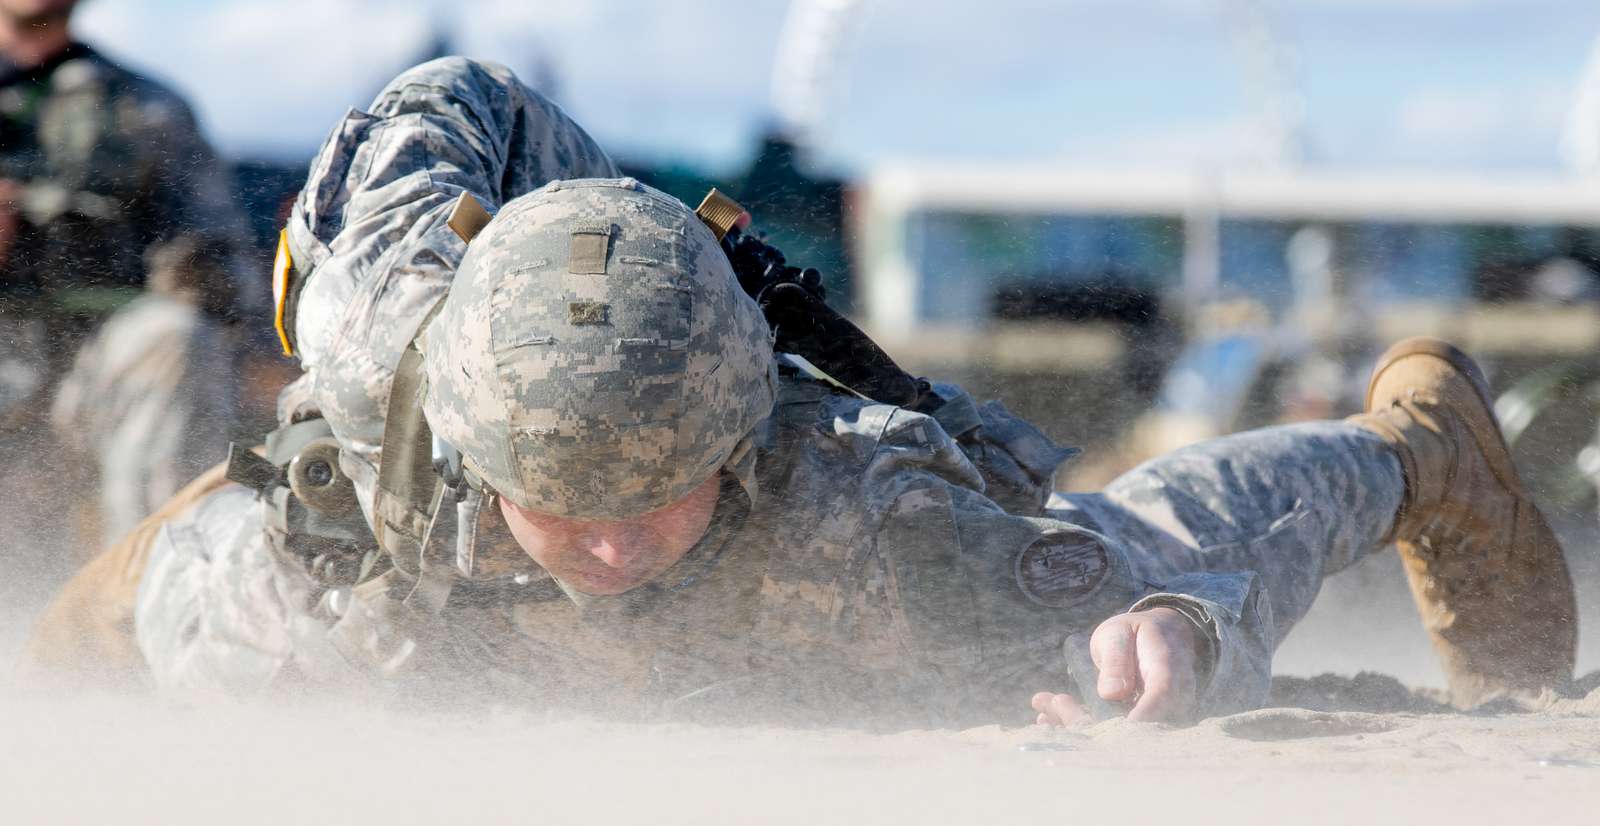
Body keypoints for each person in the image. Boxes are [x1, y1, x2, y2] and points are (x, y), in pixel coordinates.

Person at [34, 57, 1575, 725]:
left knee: (1141, 543)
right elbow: (453, 109)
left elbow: (1155, 597)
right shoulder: (380, 356)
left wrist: (1170, 632)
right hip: (398, 439)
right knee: (192, 571)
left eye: (655, 497)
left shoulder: (863, 502)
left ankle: (1412, 448)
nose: (621, 544)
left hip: (808, 477)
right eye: (571, 508)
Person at [0, 0, 256, 621]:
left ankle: (152, 614)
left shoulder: (145, 108)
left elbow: (229, 267)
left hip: (98, 379)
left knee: (175, 338)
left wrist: (183, 275)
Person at [49, 235, 239, 550]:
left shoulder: (128, 322)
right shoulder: (199, 331)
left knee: (127, 567)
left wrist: (92, 456)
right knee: (175, 568)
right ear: (196, 275)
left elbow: (70, 409)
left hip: (121, 469)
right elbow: (218, 416)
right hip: (184, 478)